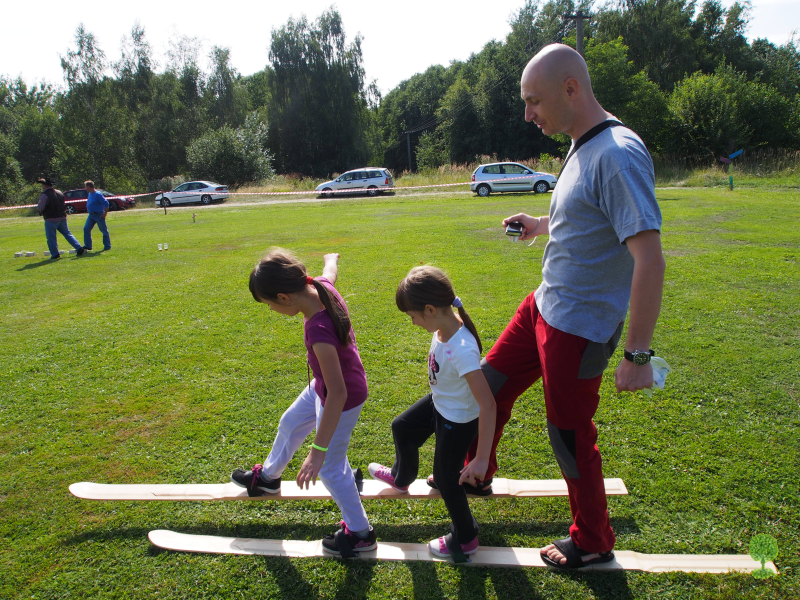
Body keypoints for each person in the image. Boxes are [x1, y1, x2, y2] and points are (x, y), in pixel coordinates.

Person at [463, 44, 666, 569]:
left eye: (534, 101)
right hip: (543, 305)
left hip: (579, 328)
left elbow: (650, 260)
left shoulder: (618, 155)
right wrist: (539, 225)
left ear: (571, 89)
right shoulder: (582, 142)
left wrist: (638, 355)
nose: (527, 113)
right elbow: (587, 214)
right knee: (488, 386)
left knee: (568, 434)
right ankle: (476, 471)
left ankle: (593, 539)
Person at [230, 250, 376, 557]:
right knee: (290, 422)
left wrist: (318, 451)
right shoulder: (321, 285)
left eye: (269, 304)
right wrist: (331, 258)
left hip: (342, 397)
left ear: (284, 298)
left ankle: (361, 533)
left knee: (331, 469)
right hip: (325, 386)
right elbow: (330, 270)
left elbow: (338, 394)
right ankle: (268, 479)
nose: (271, 310)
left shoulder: (318, 330)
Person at [368, 266, 497, 562]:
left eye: (412, 316)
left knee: (445, 478)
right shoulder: (443, 327)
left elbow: (488, 405)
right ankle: (401, 478)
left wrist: (481, 458)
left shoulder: (461, 348)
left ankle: (466, 538)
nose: (412, 322)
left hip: (457, 420)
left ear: (430, 309)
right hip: (440, 403)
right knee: (402, 427)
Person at [36, 177, 84, 259]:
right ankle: (78, 247)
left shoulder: (44, 195)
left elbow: (40, 207)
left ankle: (55, 254)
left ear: (44, 185)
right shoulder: (59, 192)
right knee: (67, 233)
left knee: (51, 237)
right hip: (62, 217)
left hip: (51, 218)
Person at [82, 180, 111, 251]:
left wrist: (105, 214)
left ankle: (107, 246)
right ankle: (88, 245)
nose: (85, 188)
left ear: (89, 186)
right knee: (86, 229)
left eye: (85, 186)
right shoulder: (90, 194)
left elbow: (106, 203)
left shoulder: (97, 194)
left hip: (98, 215)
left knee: (104, 230)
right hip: (91, 216)